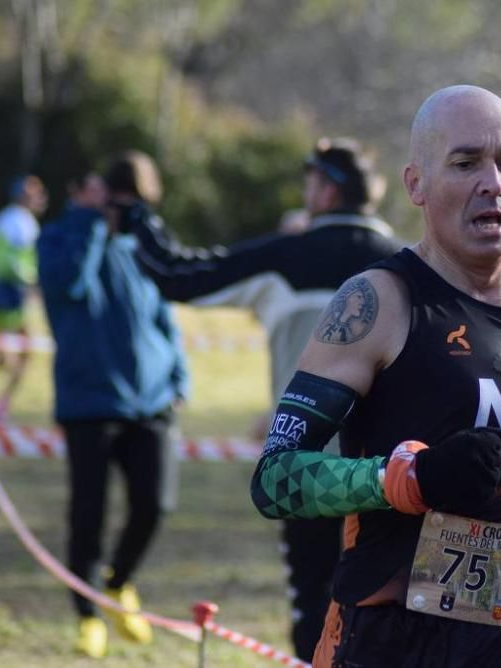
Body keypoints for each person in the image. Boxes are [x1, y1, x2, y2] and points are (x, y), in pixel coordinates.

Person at [251, 85, 501, 667]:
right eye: (466, 162)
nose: (493, 182)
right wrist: (407, 478)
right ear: (416, 185)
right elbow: (275, 478)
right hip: (394, 639)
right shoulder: (378, 304)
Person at [121, 137, 403, 659]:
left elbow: (176, 274)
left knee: (315, 615)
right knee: (391, 613)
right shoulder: (409, 267)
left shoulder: (286, 254)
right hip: (392, 473)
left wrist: (135, 213)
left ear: (324, 190)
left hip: (308, 469)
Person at [37, 158, 190, 659]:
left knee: (154, 504)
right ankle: (86, 614)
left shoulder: (137, 246)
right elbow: (71, 285)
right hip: (89, 403)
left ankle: (117, 581)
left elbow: (162, 313)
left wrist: (178, 376)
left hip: (150, 402)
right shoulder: (59, 239)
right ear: (79, 192)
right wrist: (87, 222)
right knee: (89, 513)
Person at [0, 174, 47, 421]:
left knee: (11, 355)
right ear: (22, 195)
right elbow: (8, 263)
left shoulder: (11, 219)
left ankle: (0, 408)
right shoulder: (19, 222)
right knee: (16, 355)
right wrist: (32, 280)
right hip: (8, 294)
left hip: (5, 293)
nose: (41, 197)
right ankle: (0, 409)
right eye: (35, 192)